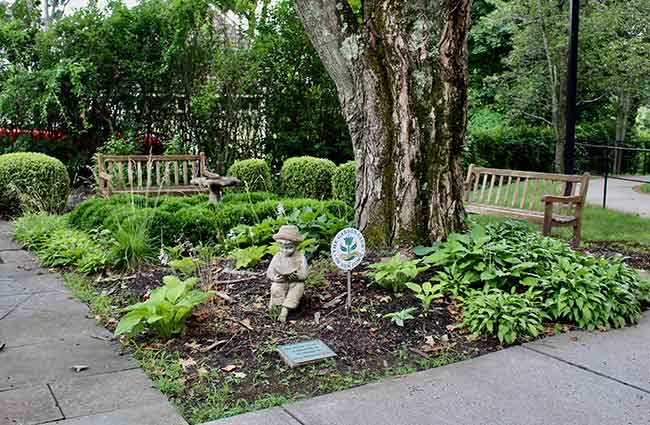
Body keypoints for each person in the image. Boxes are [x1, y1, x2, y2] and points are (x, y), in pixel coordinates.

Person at [266, 225, 309, 322]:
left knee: (298, 288)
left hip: (295, 282)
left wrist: (298, 276)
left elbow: (305, 273)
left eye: (289, 247)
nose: (285, 250)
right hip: (281, 281)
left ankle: (285, 310)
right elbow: (269, 272)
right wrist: (275, 277)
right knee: (276, 288)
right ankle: (275, 310)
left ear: (296, 245)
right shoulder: (277, 256)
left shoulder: (300, 257)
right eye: (282, 247)